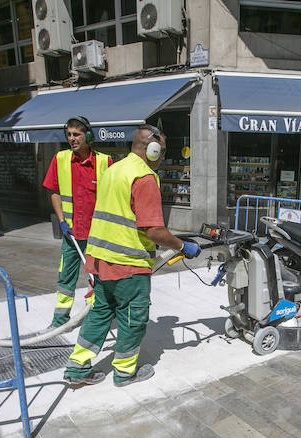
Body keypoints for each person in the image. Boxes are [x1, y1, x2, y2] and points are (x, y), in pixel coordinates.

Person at [62, 125, 201, 388]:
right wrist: (183, 246)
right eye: (163, 151)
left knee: (101, 313)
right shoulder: (144, 177)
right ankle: (125, 372)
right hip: (128, 263)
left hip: (101, 259)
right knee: (132, 317)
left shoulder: (114, 170)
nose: (163, 157)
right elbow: (154, 230)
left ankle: (77, 367)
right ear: (153, 150)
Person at [42, 116, 112, 328]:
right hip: (71, 234)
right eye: (69, 134)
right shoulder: (60, 159)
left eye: (77, 134)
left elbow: (112, 198)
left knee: (98, 278)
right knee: (65, 278)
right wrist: (62, 221)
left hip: (97, 235)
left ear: (88, 136)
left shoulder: (104, 162)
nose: (72, 139)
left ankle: (95, 317)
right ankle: (59, 320)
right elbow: (54, 191)